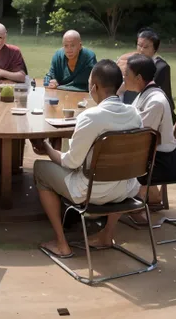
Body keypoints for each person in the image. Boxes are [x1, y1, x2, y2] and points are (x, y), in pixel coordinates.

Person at [32, 59, 143, 256]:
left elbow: (70, 162)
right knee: (119, 168)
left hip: (93, 192)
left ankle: (61, 243)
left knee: (40, 169)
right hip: (126, 189)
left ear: (94, 86)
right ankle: (106, 234)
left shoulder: (91, 117)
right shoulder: (134, 114)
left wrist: (47, 148)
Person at [124, 54, 176, 213]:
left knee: (114, 164)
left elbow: (141, 137)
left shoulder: (155, 101)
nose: (123, 77)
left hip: (163, 162)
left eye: (126, 74)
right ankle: (148, 196)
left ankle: (140, 206)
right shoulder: (144, 92)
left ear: (139, 78)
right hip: (153, 157)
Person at [119, 28, 176, 121]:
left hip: (152, 113)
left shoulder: (161, 67)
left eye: (146, 47)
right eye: (139, 45)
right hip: (131, 108)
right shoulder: (133, 61)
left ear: (155, 49)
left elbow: (148, 92)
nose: (141, 50)